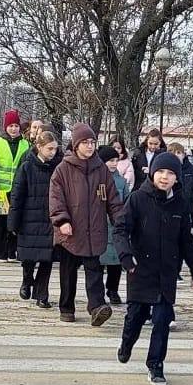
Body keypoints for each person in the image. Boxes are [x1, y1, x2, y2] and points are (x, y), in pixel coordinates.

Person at [114, 152, 193, 385]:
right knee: (136, 317)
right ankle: (126, 344)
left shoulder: (180, 204)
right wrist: (126, 256)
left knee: (162, 320)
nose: (165, 177)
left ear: (177, 178)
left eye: (171, 173)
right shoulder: (137, 199)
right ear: (153, 172)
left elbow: (186, 241)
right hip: (140, 270)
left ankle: (155, 365)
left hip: (167, 272)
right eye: (161, 172)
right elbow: (121, 230)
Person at [49, 123, 126, 325]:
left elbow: (113, 199)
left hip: (94, 230)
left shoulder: (101, 169)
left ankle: (97, 306)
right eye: (85, 142)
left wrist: (120, 221)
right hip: (70, 231)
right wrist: (62, 220)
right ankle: (66, 307)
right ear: (76, 145)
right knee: (68, 271)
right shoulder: (62, 170)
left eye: (92, 142)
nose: (90, 146)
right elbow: (56, 199)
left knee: (94, 270)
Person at [9, 131, 62, 309]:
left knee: (47, 259)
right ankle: (26, 281)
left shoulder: (58, 168)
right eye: (49, 149)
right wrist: (14, 222)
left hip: (49, 220)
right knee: (29, 257)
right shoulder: (27, 167)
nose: (53, 152)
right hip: (29, 219)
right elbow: (17, 196)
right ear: (39, 147)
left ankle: (42, 295)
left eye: (55, 149)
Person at [0, 110, 30, 262]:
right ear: (6, 127)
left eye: (16, 125)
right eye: (11, 125)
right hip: (0, 191)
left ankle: (12, 252)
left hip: (17, 191)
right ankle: (0, 254)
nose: (14, 129)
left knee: (15, 221)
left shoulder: (25, 144)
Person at [97, 145, 131, 305]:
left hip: (116, 225)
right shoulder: (96, 178)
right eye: (110, 160)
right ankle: (97, 291)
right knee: (98, 262)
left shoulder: (121, 181)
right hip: (99, 225)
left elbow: (127, 201)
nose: (114, 164)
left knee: (115, 263)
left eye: (116, 160)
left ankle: (113, 289)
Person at [166, 142, 193, 218]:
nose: (176, 155)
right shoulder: (165, 170)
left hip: (188, 210)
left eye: (178, 152)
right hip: (170, 209)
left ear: (184, 155)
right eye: (172, 153)